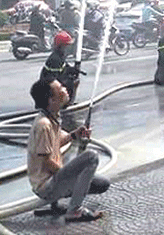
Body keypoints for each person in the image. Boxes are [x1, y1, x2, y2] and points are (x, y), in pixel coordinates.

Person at [27, 78, 110, 222]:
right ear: (51, 100)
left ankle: (55, 205)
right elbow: (47, 163)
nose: (65, 89)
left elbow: (55, 143)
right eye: (61, 89)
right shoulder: (44, 125)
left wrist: (74, 135)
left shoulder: (51, 118)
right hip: (45, 187)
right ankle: (74, 211)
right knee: (91, 157)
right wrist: (71, 175)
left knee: (102, 184)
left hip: (51, 181)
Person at [40, 31, 80, 105]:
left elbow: (65, 67)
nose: (68, 48)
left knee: (73, 80)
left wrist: (73, 70)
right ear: (61, 46)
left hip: (52, 83)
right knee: (72, 82)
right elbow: (55, 77)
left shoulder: (60, 56)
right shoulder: (55, 59)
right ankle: (64, 103)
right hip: (48, 86)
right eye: (67, 45)